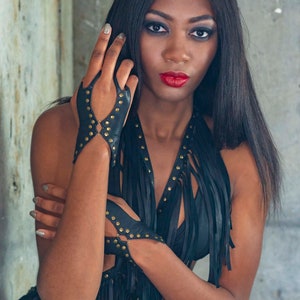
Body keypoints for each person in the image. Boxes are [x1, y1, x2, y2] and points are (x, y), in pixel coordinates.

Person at [21, 0, 281, 299]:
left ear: (221, 43)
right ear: (130, 29)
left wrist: (133, 239)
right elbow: (65, 295)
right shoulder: (62, 126)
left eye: (199, 33)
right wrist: (98, 138)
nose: (177, 53)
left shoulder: (239, 157)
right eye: (156, 27)